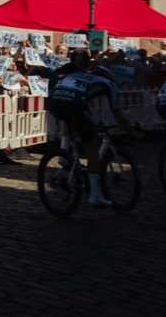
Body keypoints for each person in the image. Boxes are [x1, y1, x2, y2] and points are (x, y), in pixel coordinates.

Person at [44, 57, 134, 207]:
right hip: (71, 105)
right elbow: (118, 113)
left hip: (55, 103)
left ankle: (68, 159)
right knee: (92, 148)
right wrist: (130, 131)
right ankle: (95, 195)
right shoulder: (108, 84)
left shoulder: (82, 77)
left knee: (77, 129)